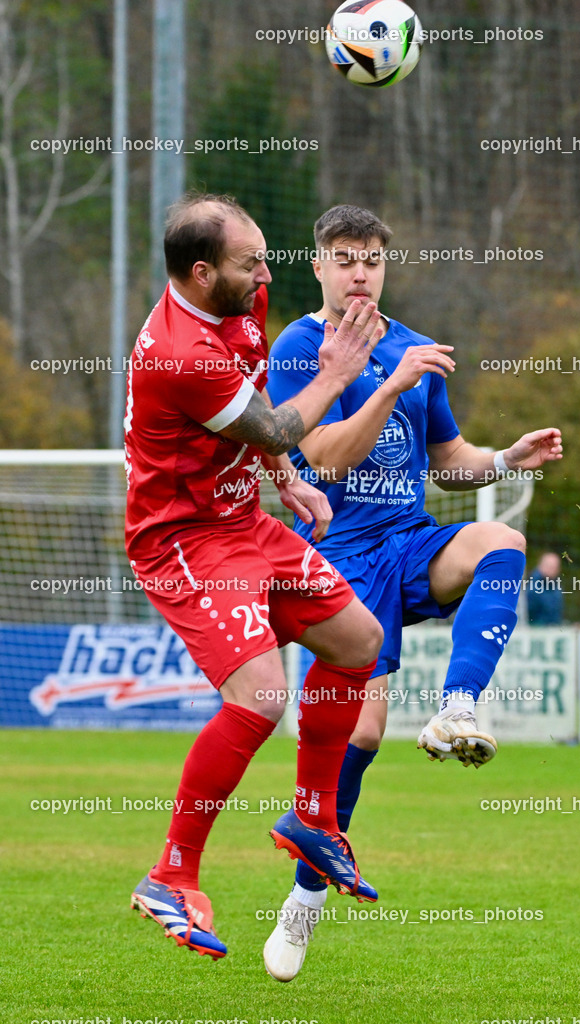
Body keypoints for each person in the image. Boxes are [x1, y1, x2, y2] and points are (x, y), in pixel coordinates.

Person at [264, 204, 563, 980]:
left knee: (502, 542)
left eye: (370, 257)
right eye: (342, 256)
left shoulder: (410, 343)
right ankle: (303, 902)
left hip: (409, 537)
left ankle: (458, 705)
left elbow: (448, 457)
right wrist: (388, 384)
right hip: (337, 552)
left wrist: (505, 457)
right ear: (319, 267)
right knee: (356, 739)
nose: (359, 269)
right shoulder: (300, 347)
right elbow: (322, 460)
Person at [124, 192, 388, 961]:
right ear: (202, 274)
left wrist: (282, 477)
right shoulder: (177, 352)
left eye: (266, 255)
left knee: (356, 640)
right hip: (183, 538)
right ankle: (170, 875)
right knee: (263, 697)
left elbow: (258, 409)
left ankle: (312, 818)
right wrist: (337, 372)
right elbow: (276, 422)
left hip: (244, 522)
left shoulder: (242, 295)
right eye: (251, 263)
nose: (265, 273)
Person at [527, 552, 564, 625]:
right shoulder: (531, 587)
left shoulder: (556, 587)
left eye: (554, 567)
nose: (552, 570)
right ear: (540, 566)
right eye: (549, 566)